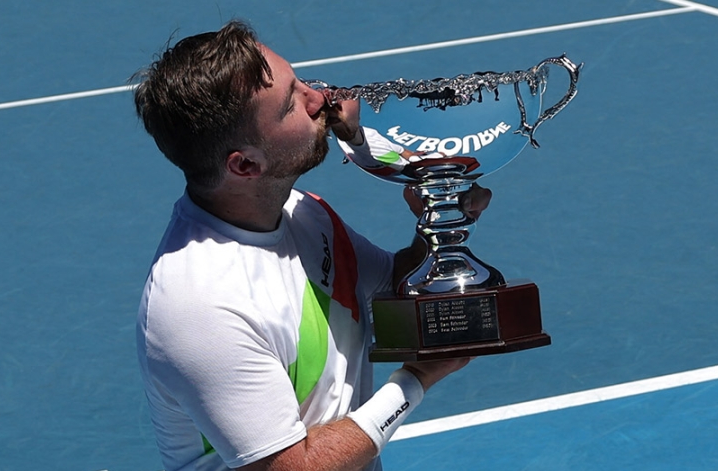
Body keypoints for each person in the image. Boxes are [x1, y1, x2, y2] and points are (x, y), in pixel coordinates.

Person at [132, 20, 485, 471]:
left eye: (301, 82)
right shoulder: (200, 306)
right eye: (291, 104)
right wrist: (416, 379)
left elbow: (393, 291)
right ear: (245, 165)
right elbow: (291, 466)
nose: (318, 98)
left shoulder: (304, 213)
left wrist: (439, 223)